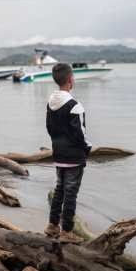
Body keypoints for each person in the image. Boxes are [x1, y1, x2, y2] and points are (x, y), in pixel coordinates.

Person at [44, 63, 92, 243]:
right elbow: (81, 133)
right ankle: (67, 232)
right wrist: (87, 148)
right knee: (71, 194)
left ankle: (52, 225)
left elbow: (49, 128)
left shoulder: (50, 104)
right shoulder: (75, 106)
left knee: (60, 190)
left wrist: (58, 144)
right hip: (74, 156)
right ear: (71, 79)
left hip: (59, 154)